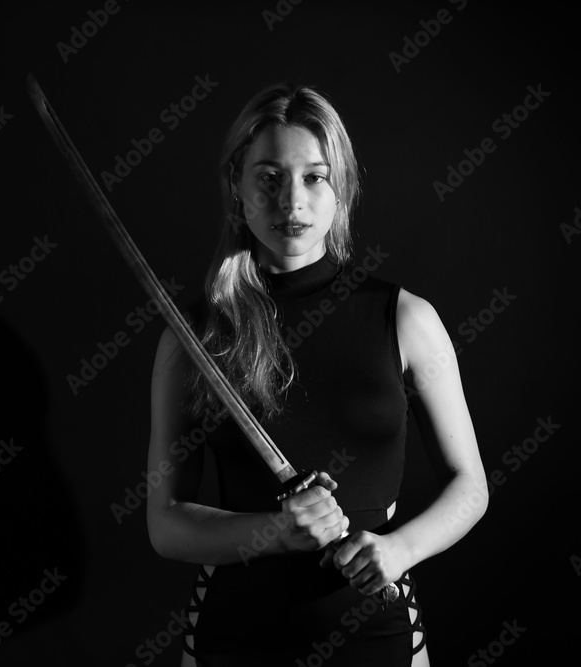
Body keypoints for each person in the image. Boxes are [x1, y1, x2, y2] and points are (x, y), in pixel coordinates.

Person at [146, 81, 487, 666]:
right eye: (269, 178)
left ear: (343, 186)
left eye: (315, 176)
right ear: (237, 186)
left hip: (377, 641)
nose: (292, 202)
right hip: (233, 643)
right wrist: (275, 531)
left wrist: (399, 549)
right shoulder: (193, 336)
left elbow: (470, 485)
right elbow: (165, 523)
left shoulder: (405, 319)